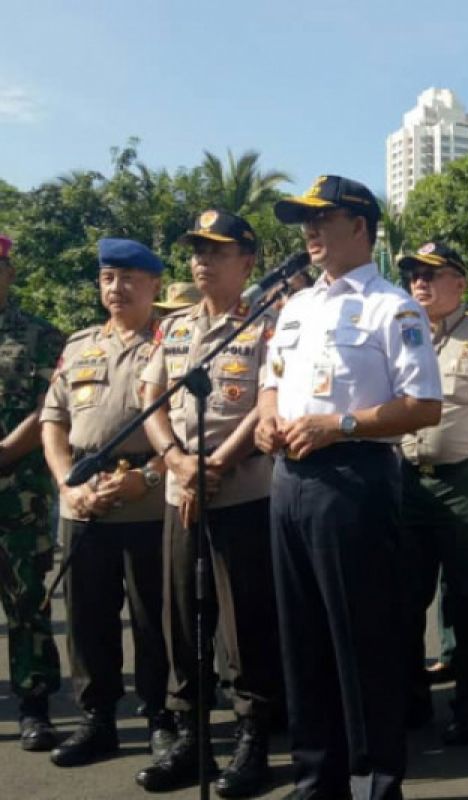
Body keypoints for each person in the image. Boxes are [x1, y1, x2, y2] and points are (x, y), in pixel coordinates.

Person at [256, 175, 442, 800]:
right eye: (304, 220)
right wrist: (265, 415)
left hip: (354, 481)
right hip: (288, 481)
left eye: (322, 218)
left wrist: (340, 424)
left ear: (360, 226)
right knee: (302, 640)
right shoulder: (296, 306)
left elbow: (424, 405)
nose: (308, 231)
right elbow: (272, 379)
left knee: (363, 642)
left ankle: (374, 780)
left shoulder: (396, 307)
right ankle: (318, 779)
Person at [136, 210, 283, 797]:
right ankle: (192, 736)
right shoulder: (173, 328)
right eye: (197, 251)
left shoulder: (268, 323)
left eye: (216, 251)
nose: (201, 261)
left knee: (248, 621)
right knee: (183, 617)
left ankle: (253, 740)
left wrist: (218, 463)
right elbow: (153, 396)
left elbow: (269, 397)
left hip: (242, 491)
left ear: (247, 261)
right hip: (182, 493)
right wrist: (176, 460)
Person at [40, 238, 173, 767]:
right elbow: (54, 420)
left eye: (128, 279)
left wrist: (149, 475)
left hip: (147, 500)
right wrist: (65, 485)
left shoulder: (171, 341)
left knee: (154, 617)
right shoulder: (79, 346)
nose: (115, 288)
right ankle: (97, 720)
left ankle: (163, 716)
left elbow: (185, 427)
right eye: (107, 278)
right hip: (84, 502)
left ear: (154, 285)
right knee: (88, 619)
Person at [397, 241, 468, 746]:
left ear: (460, 283)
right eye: (413, 275)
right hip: (404, 479)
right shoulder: (397, 337)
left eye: (432, 274)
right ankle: (411, 698)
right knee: (403, 597)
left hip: (467, 481)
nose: (419, 282)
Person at [0, 232, 64, 753]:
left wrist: (5, 452)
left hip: (18, 493)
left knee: (27, 603)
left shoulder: (41, 335)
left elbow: (49, 406)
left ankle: (34, 705)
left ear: (9, 273)